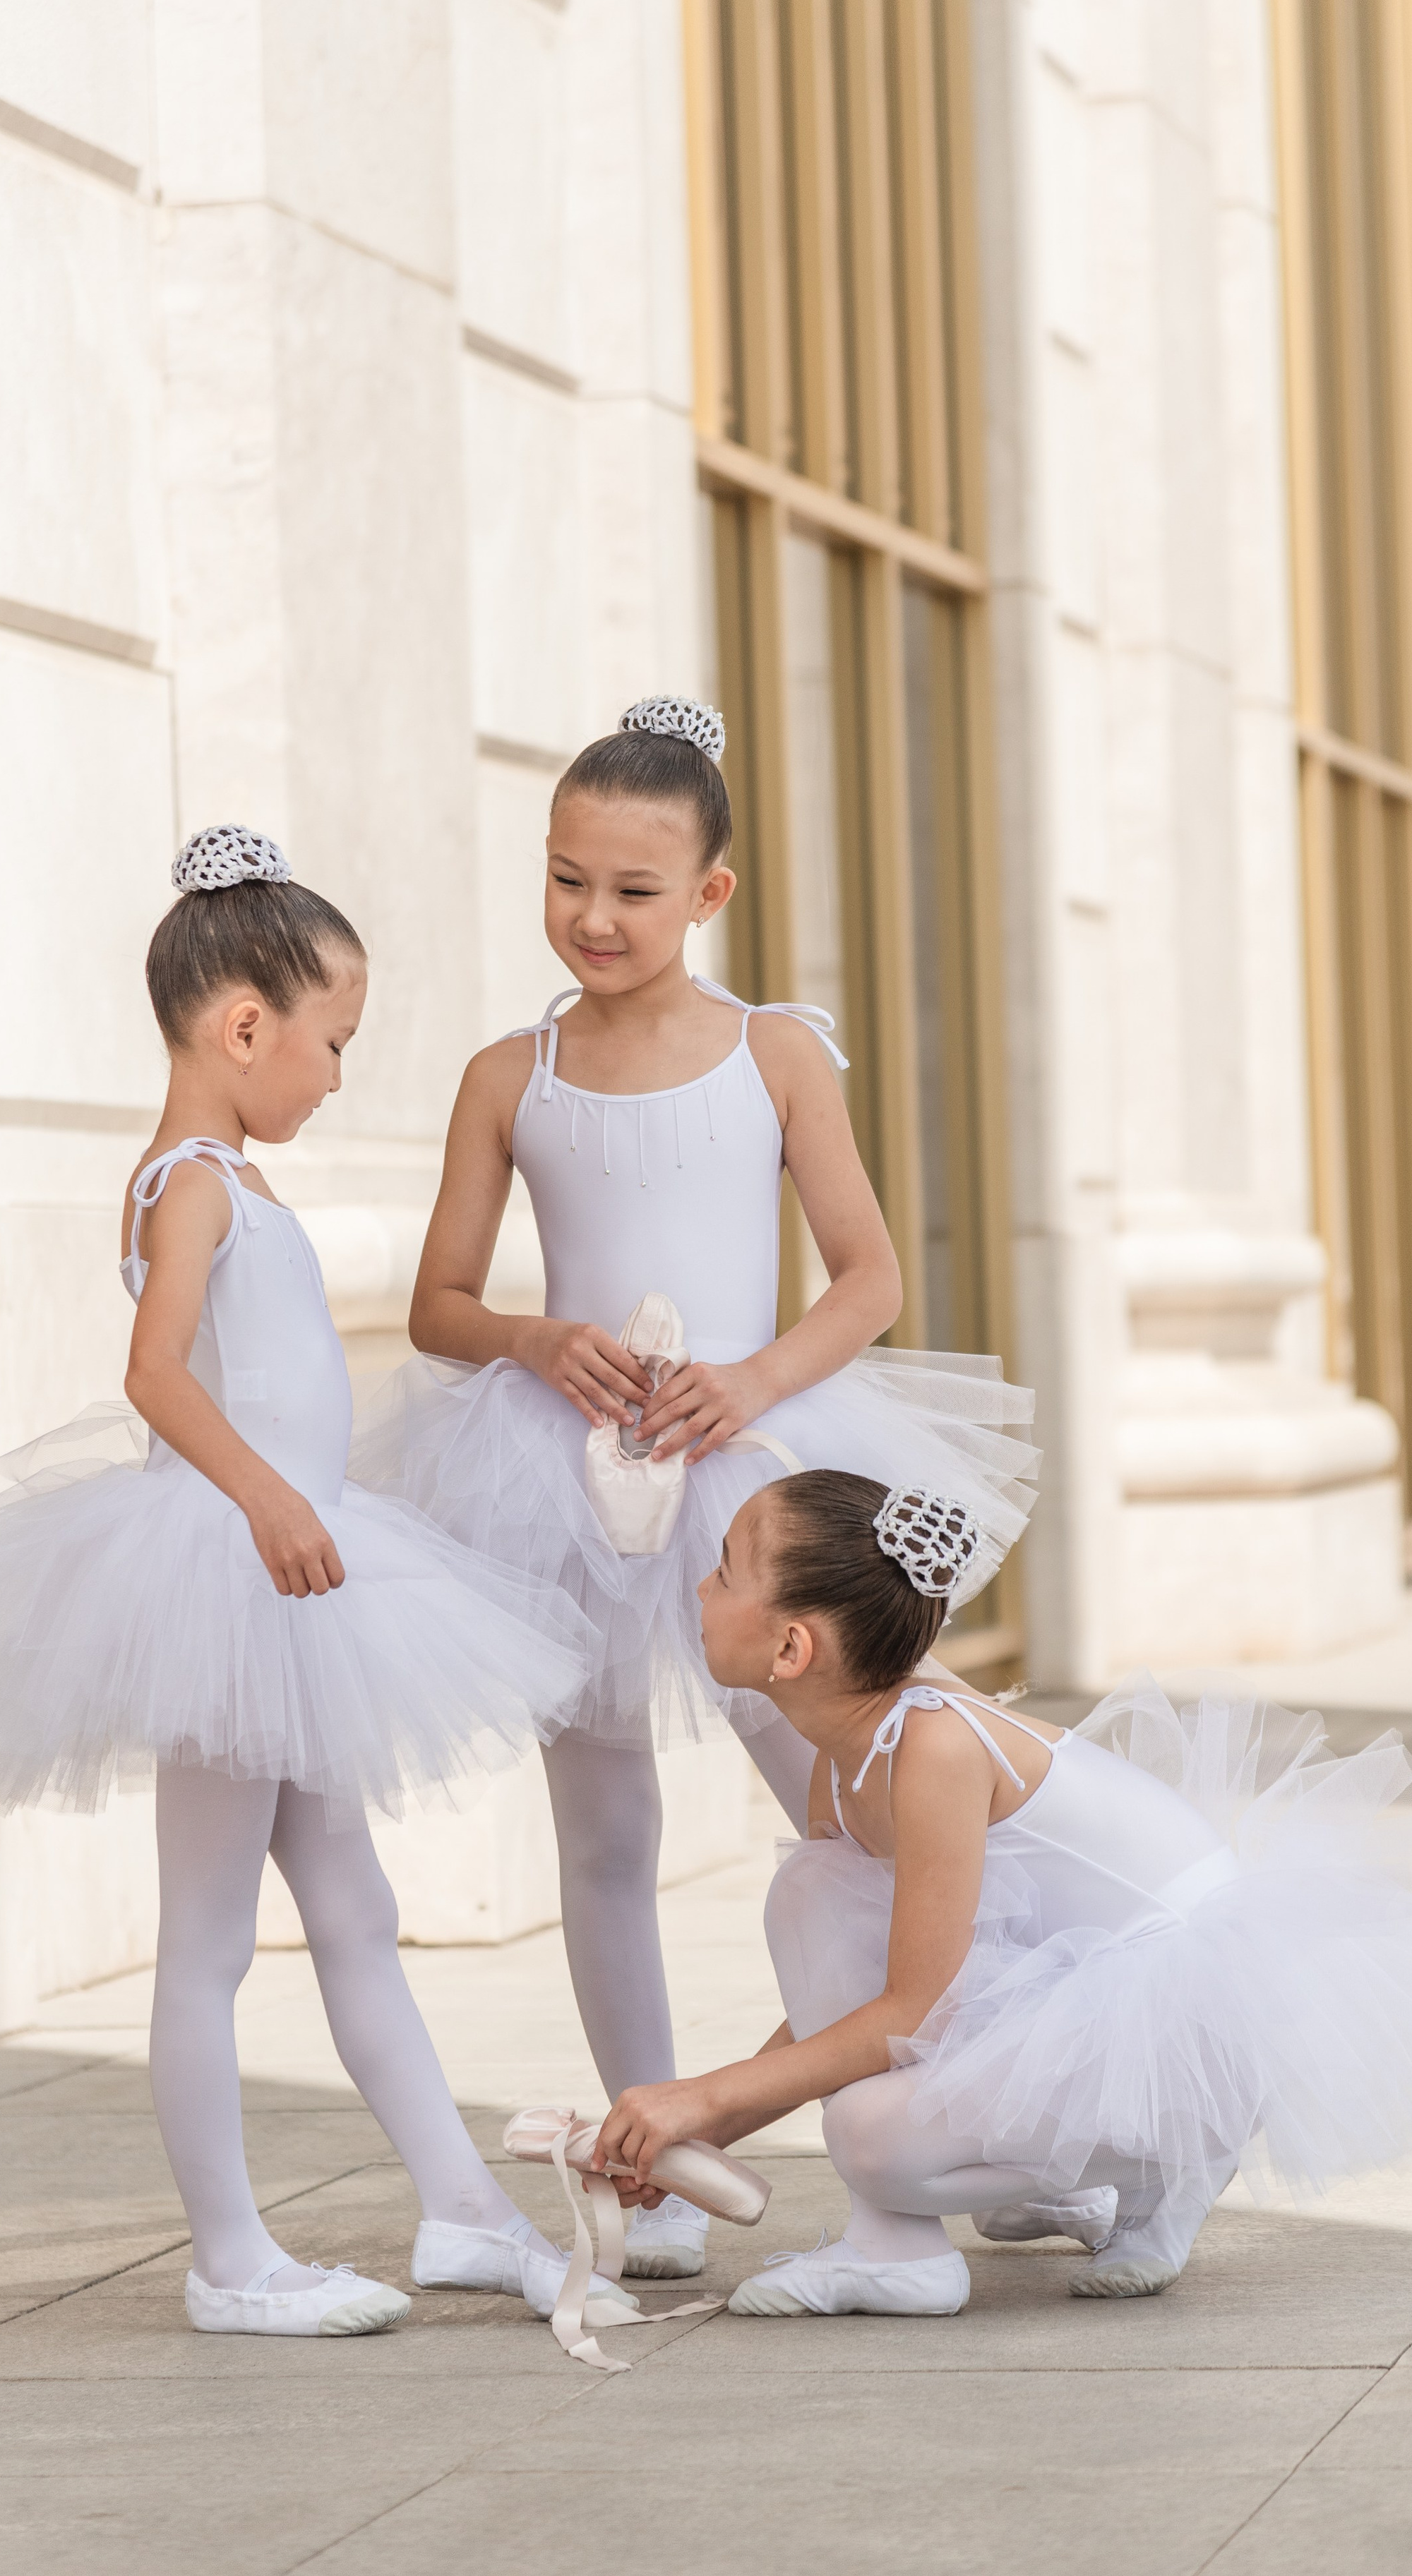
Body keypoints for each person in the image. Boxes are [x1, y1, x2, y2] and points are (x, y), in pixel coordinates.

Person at [0, 826, 633, 2341]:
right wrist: (270, 1498)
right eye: (333, 1043)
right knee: (211, 1935)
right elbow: (155, 1375)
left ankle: (464, 2209)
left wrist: (299, 1506)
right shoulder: (190, 1188)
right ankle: (229, 2256)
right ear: (244, 1028)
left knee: (352, 1905)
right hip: (225, 1580)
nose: (338, 1076)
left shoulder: (231, 1184)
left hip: (292, 1591)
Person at [350, 694, 1039, 2280]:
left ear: (709, 895)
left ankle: (999, 2105)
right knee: (601, 1827)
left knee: (876, 1800)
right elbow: (439, 1305)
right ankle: (644, 2169)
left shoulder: (774, 1053)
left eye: (633, 890)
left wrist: (748, 1382)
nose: (592, 916)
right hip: (564, 1475)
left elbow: (863, 1278)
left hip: (758, 1467)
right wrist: (537, 1339)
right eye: (565, 878)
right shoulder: (505, 1076)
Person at [591, 1469, 1412, 2318]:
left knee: (871, 2139)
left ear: (792, 1645)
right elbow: (849, 1997)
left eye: (720, 1573)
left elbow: (911, 2011)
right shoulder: (850, 1759)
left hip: (1194, 2028)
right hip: (1078, 1992)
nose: (698, 1590)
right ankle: (1027, 2194)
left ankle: (1128, 2169)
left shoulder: (933, 1745)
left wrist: (703, 2099)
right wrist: (697, 2134)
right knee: (810, 1898)